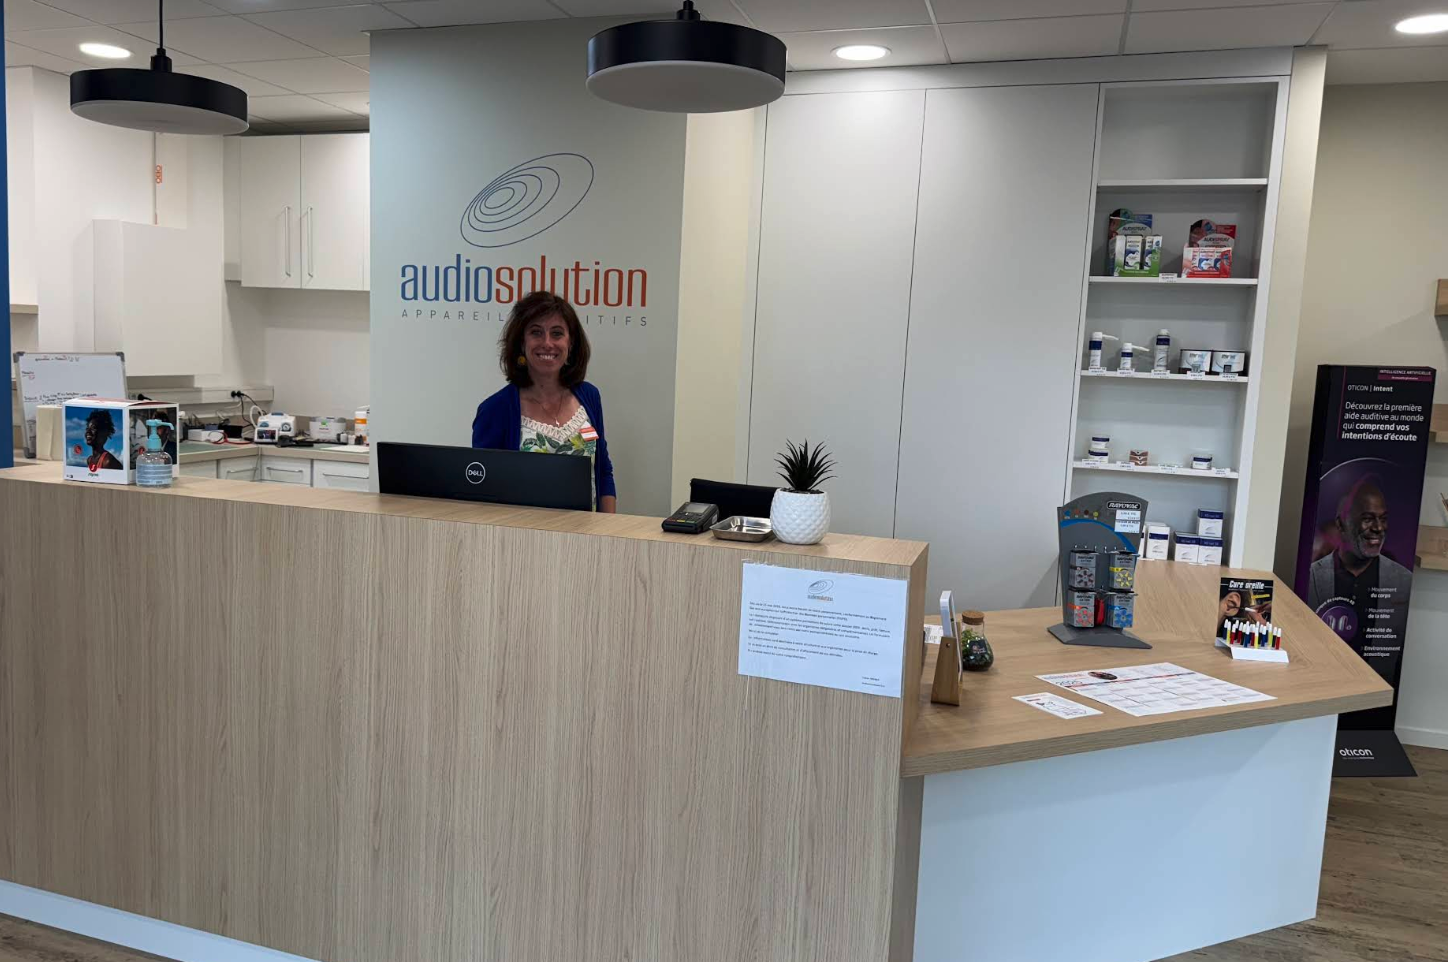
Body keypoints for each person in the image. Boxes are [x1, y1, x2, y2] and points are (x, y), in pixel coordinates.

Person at [471, 291, 616, 513]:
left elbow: (603, 471)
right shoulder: (495, 410)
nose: (547, 343)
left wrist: (608, 528)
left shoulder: (589, 397)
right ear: (522, 343)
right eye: (536, 333)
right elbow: (484, 493)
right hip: (522, 533)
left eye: (557, 333)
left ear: (571, 343)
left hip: (587, 533)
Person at [1307, 476, 1412, 642]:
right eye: (1368, 519)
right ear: (1340, 524)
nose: (1378, 528)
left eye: (1383, 519)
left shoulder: (1403, 581)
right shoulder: (1310, 577)